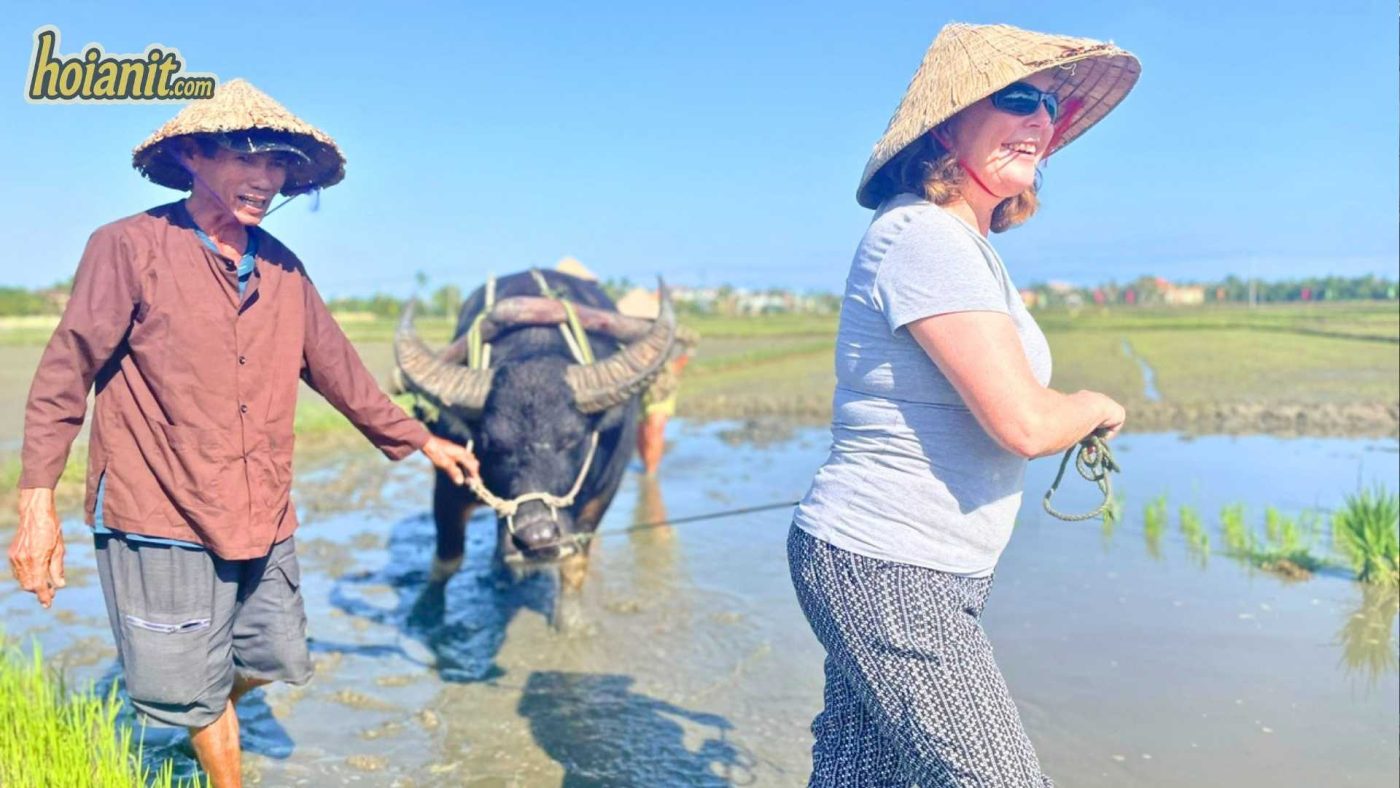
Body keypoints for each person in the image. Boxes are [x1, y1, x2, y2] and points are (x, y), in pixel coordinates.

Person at [8, 79, 478, 787]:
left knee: (269, 657)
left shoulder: (284, 268)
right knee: (192, 689)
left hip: (259, 505)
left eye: (279, 163)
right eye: (248, 156)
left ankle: (196, 703)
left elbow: (340, 371)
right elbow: (64, 373)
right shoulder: (129, 247)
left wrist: (421, 440)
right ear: (195, 155)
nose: (266, 178)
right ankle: (218, 759)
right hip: (157, 503)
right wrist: (36, 501)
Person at [788, 23, 1139, 785]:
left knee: (861, 778)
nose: (1040, 120)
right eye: (1017, 98)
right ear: (948, 122)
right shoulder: (924, 237)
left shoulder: (964, 246)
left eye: (1050, 106)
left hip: (910, 566)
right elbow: (1024, 423)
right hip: (890, 567)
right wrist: (1093, 404)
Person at [616, 287, 697, 476]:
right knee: (640, 429)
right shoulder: (626, 332)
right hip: (635, 386)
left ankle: (652, 474)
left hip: (661, 386)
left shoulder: (669, 330)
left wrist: (679, 365)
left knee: (655, 428)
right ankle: (646, 465)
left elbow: (692, 340)